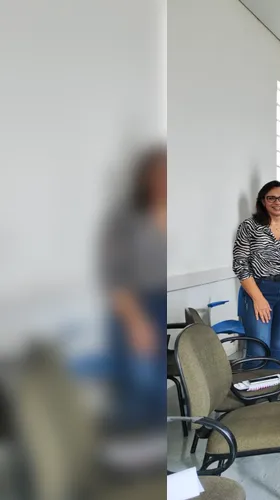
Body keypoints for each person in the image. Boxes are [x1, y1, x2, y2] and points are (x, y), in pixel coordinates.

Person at [101, 145, 166, 431]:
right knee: (138, 384)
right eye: (158, 174)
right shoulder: (125, 218)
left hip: (160, 303)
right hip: (134, 306)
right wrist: (136, 322)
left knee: (154, 388)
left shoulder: (168, 213)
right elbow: (114, 276)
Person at [232, 181, 280, 371]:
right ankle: (251, 388)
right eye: (272, 198)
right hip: (259, 290)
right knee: (259, 348)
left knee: (278, 347)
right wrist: (258, 299)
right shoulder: (249, 227)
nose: (278, 202)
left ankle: (272, 387)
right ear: (263, 201)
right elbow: (240, 265)